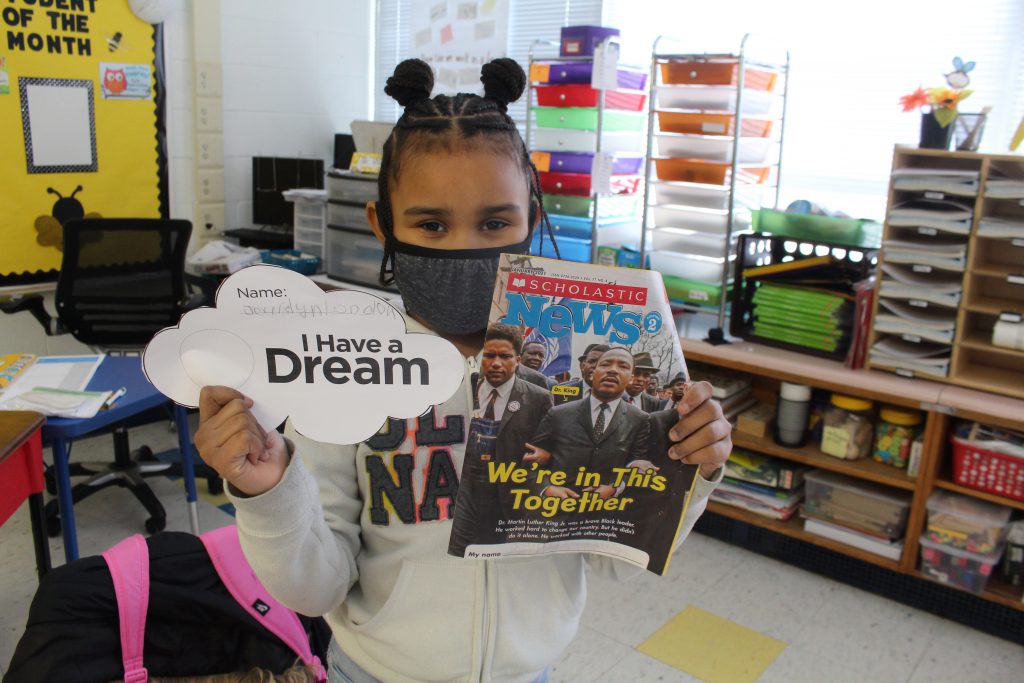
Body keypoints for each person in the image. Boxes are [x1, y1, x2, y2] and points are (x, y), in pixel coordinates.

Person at [194, 57, 730, 683]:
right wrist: (268, 493)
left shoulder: (577, 379)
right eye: (431, 224)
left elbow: (614, 561)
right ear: (383, 227)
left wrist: (686, 467)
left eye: (495, 222)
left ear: (532, 217)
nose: (464, 247)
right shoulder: (349, 374)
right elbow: (317, 588)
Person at [449, 324, 553, 554]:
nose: (496, 363)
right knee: (457, 551)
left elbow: (547, 445)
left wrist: (546, 454)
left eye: (505, 356)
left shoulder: (539, 398)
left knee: (494, 555)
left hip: (506, 494)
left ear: (517, 360)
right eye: (489, 355)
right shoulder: (461, 386)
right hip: (464, 491)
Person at [530, 348, 651, 500]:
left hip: (604, 515)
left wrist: (615, 489)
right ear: (593, 372)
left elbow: (635, 467)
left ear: (631, 378)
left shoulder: (639, 420)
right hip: (554, 513)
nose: (613, 370)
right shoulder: (558, 414)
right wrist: (546, 488)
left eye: (623, 366)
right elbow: (530, 464)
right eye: (606, 364)